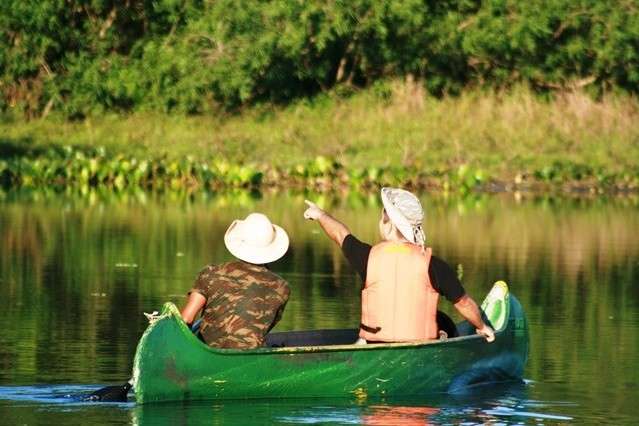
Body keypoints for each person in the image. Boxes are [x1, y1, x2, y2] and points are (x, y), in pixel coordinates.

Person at [303, 187, 495, 344]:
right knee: (443, 321)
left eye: (382, 216)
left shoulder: (368, 257)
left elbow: (340, 235)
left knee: (441, 319)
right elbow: (464, 304)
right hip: (418, 347)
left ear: (388, 224)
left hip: (373, 344)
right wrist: (481, 327)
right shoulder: (433, 265)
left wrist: (320, 214)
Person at [180, 212, 291, 349]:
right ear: (270, 247)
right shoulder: (282, 287)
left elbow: (185, 320)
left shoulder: (211, 273)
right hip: (250, 357)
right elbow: (264, 327)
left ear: (240, 240)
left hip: (210, 352)